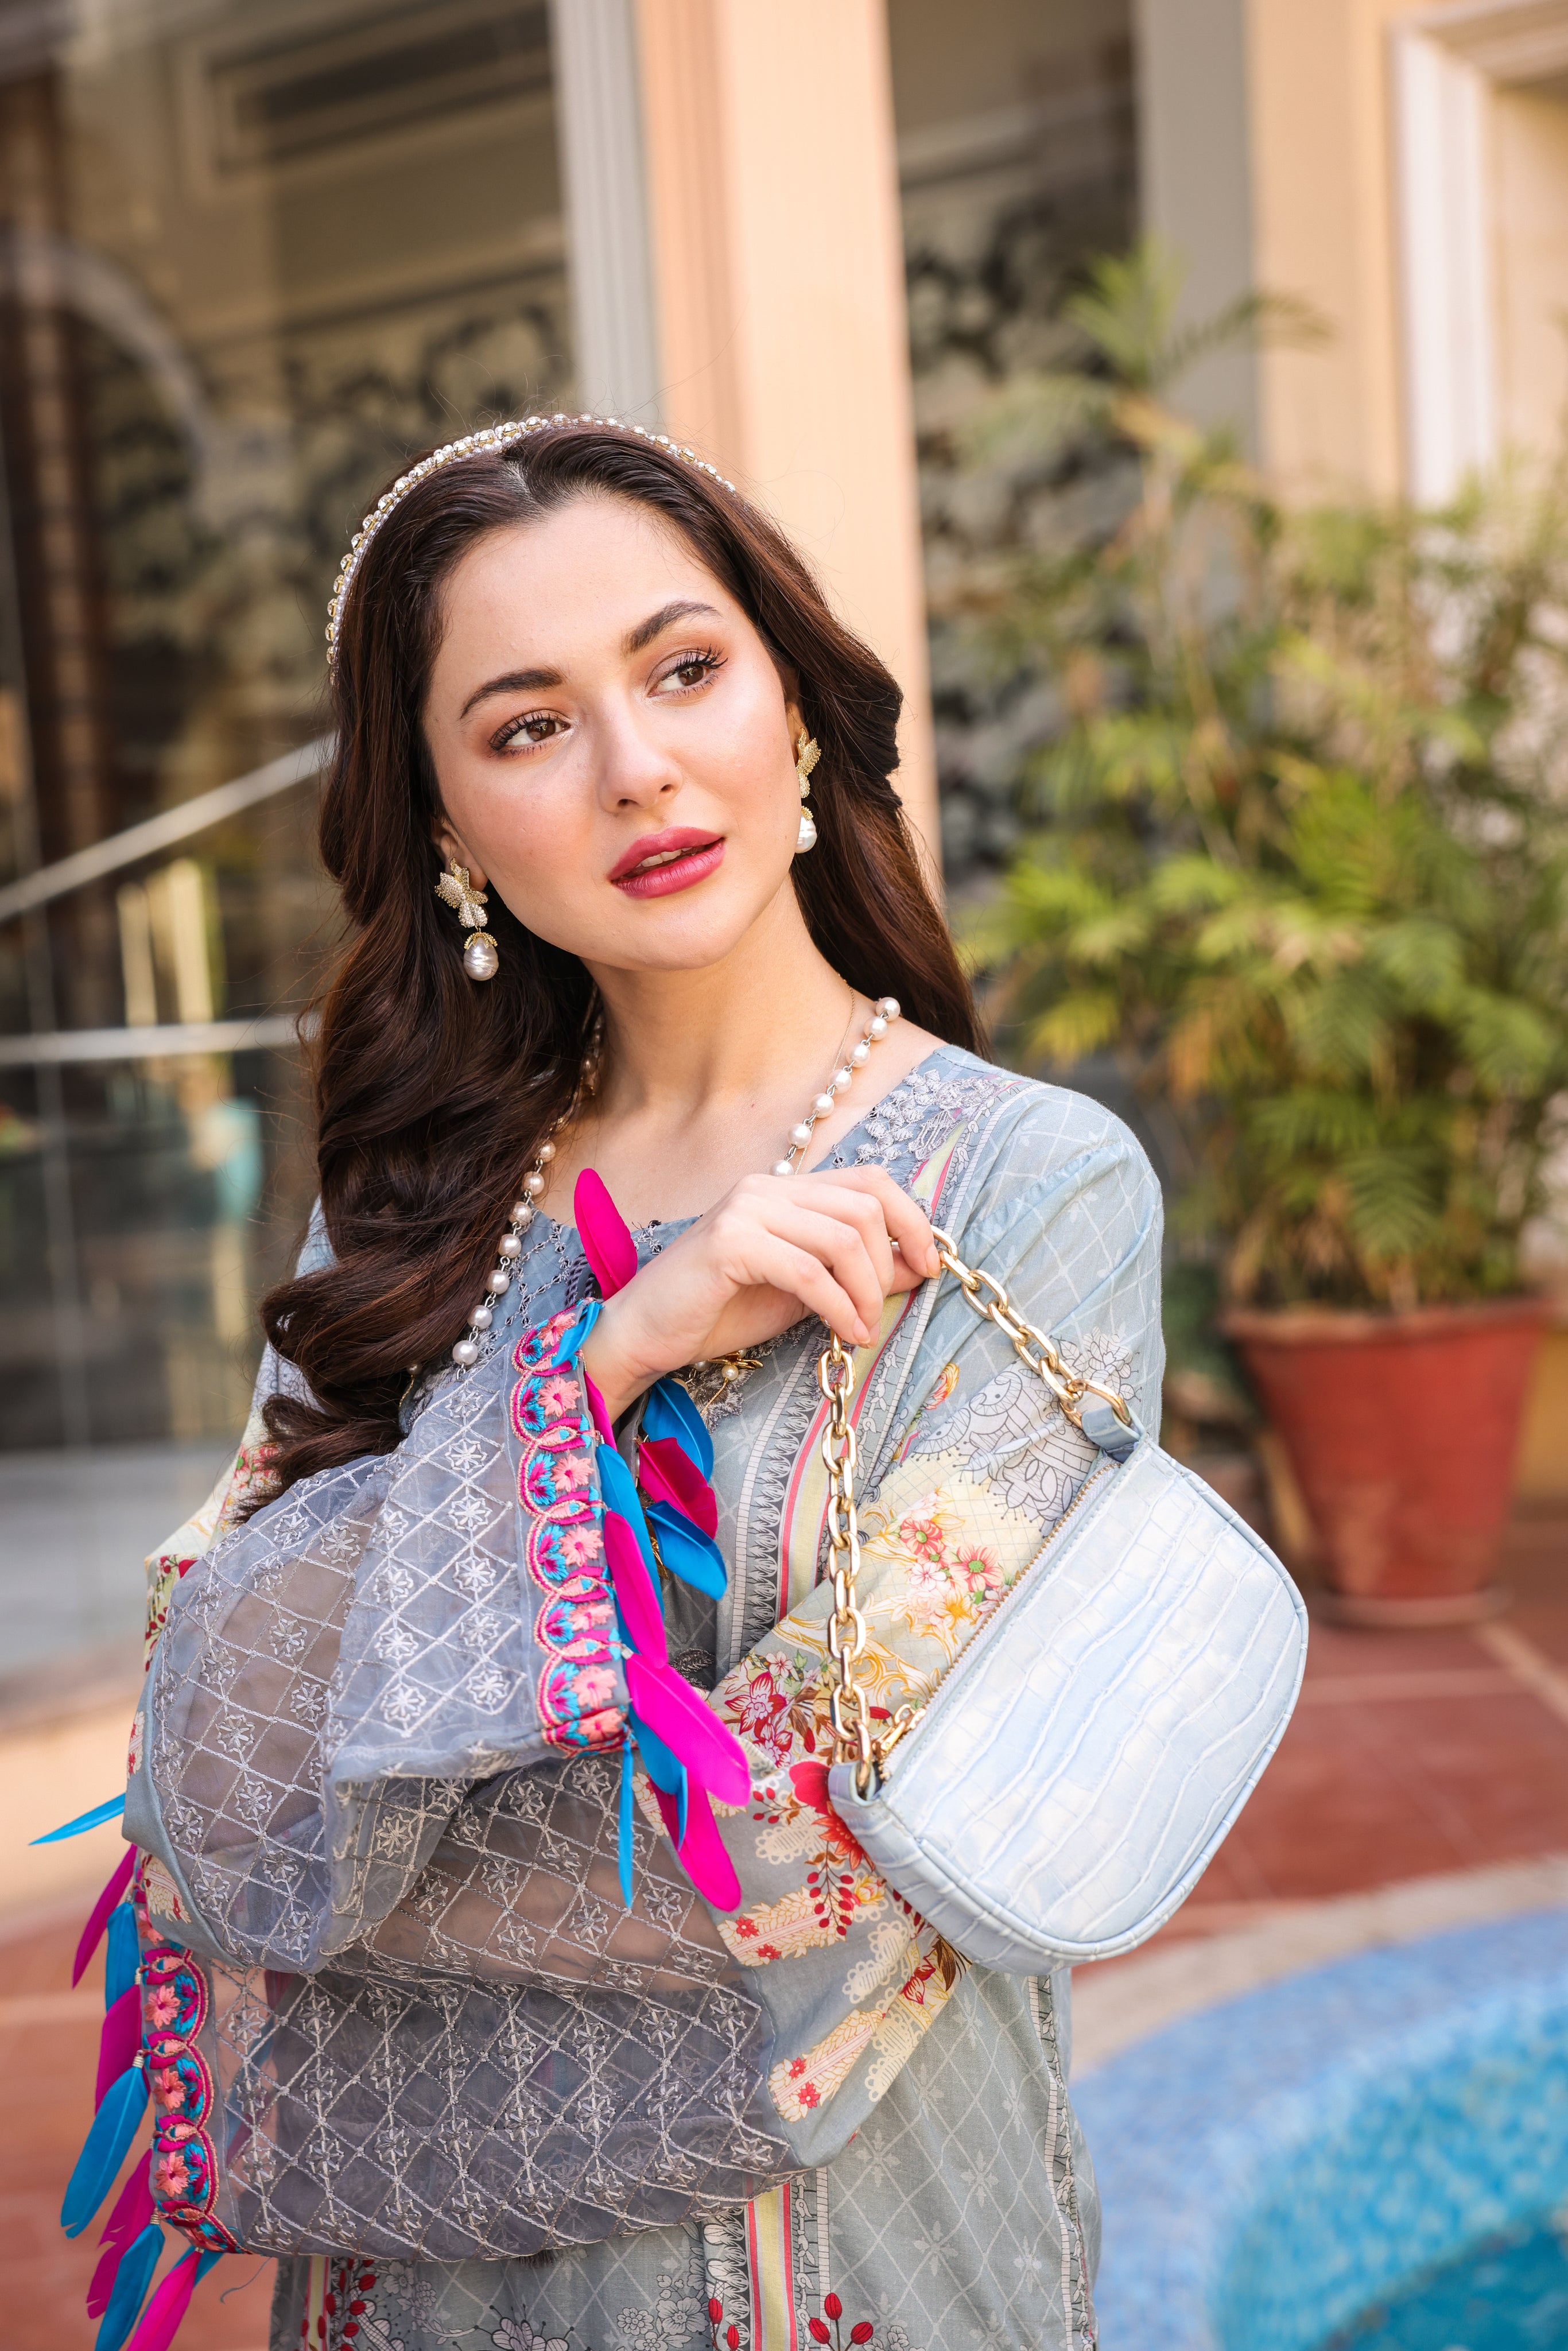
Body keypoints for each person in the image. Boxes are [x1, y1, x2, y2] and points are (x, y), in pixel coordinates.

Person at [135, 417, 1163, 2351]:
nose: (637, 768)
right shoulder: (404, 1215)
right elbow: (220, 1750)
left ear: (793, 708)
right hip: (422, 2297)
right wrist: (595, 1364)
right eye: (526, 726)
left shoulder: (1026, 1190)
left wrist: (373, 1854)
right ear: (446, 827)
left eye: (683, 670)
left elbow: (844, 1850)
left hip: (859, 2252)